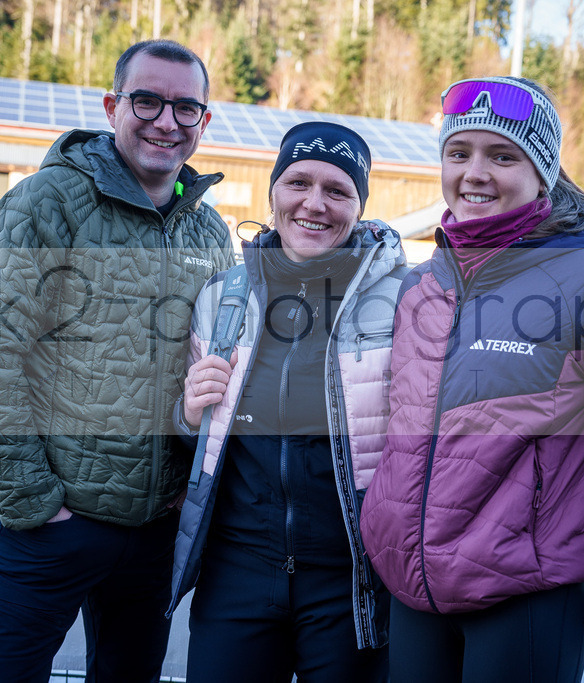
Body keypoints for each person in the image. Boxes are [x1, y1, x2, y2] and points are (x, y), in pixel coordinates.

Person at [359, 77, 584, 682]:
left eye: (502, 155)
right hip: (412, 596)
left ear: (543, 173)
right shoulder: (422, 286)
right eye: (459, 153)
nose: (474, 173)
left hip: (523, 602)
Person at [0, 39, 234, 683]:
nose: (166, 121)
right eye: (147, 101)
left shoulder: (210, 233)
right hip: (52, 529)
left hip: (156, 535)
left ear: (204, 121)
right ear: (112, 106)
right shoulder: (47, 202)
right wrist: (34, 503)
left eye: (186, 108)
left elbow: (215, 370)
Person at [167, 121, 406, 683]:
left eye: (337, 190)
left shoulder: (407, 300)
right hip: (237, 574)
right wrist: (188, 413)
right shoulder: (222, 296)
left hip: (349, 581)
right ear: (273, 193)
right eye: (298, 182)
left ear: (360, 205)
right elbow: (193, 434)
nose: (314, 204)